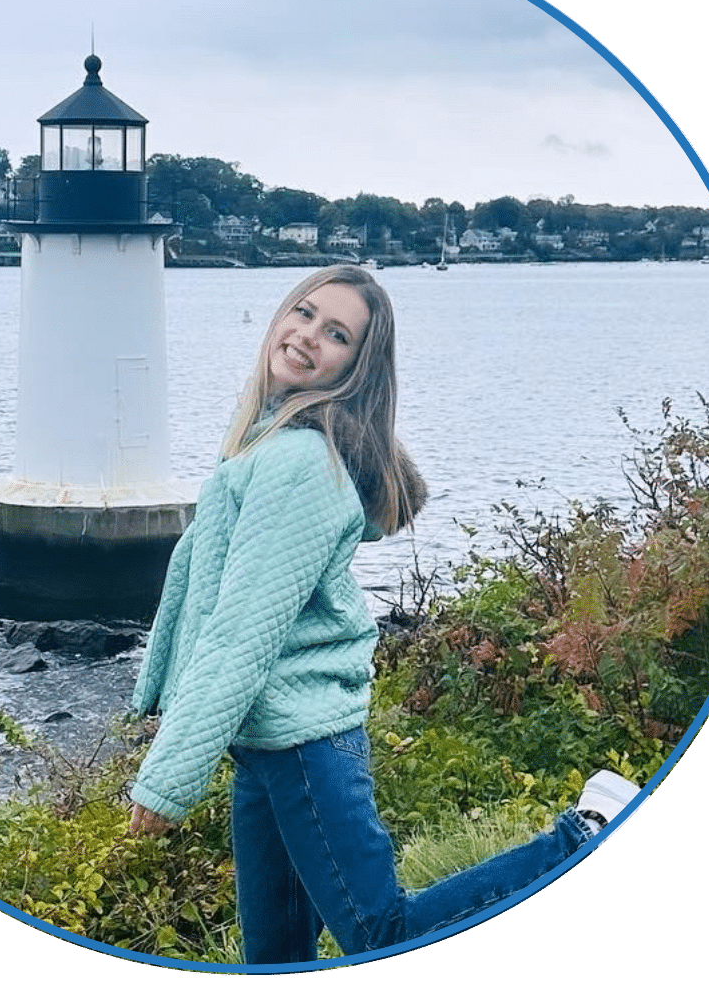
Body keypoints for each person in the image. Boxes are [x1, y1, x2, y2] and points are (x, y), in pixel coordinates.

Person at [127, 265, 638, 964]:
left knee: (380, 934)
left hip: (304, 745)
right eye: (304, 314)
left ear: (357, 366)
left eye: (336, 334)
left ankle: (586, 833)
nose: (308, 337)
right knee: (276, 957)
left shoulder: (298, 463)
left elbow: (240, 633)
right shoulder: (268, 440)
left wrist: (168, 778)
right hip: (266, 746)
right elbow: (206, 592)